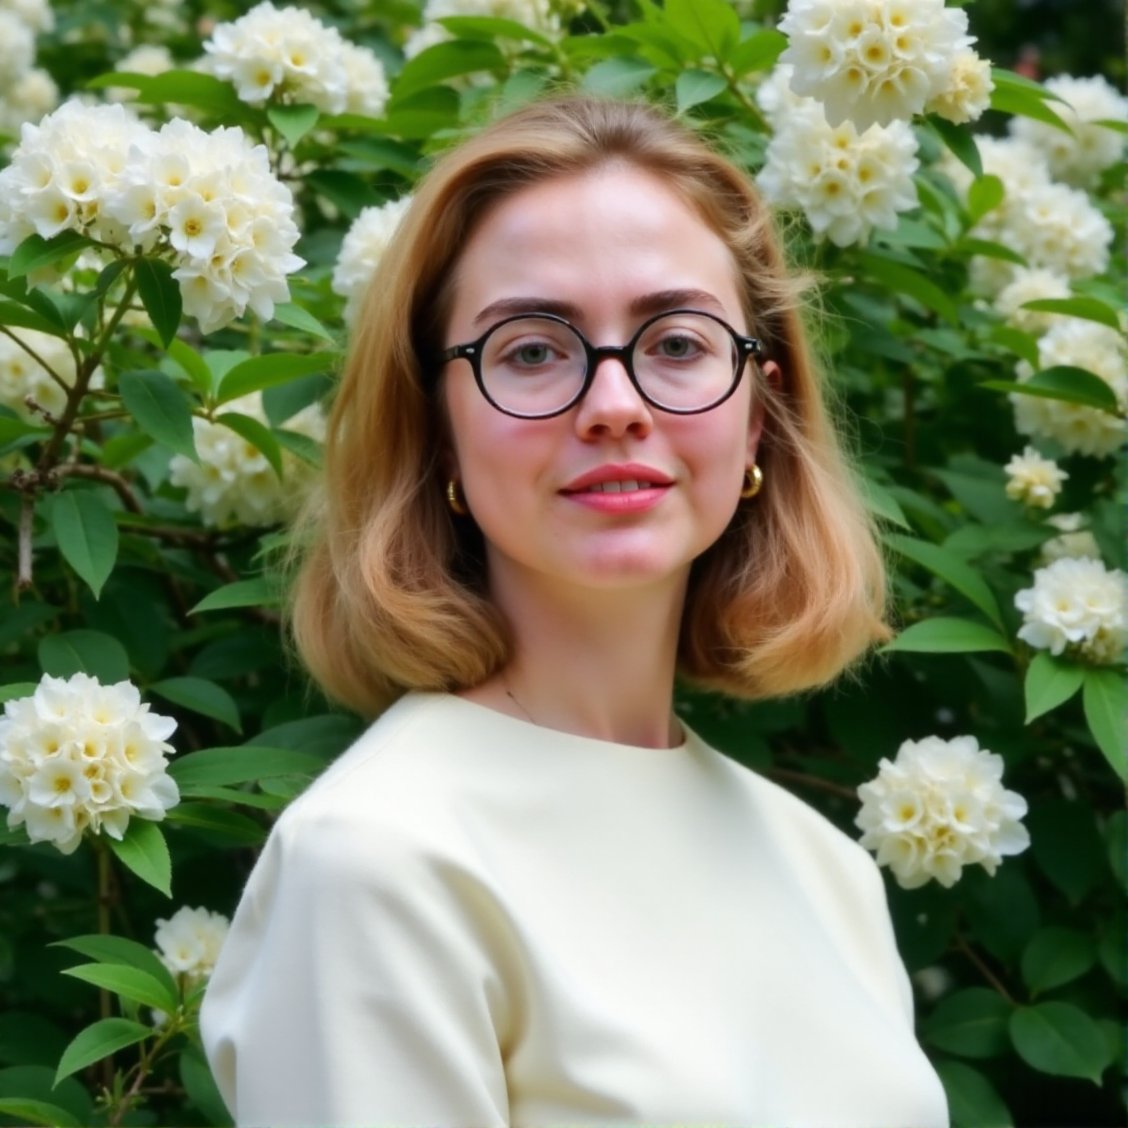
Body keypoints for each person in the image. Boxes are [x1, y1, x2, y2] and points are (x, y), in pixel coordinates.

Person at [200, 95, 949, 1127]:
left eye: (677, 342)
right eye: (532, 350)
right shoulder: (379, 861)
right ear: (438, 427)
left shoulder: (824, 869)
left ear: (760, 413)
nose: (615, 403)